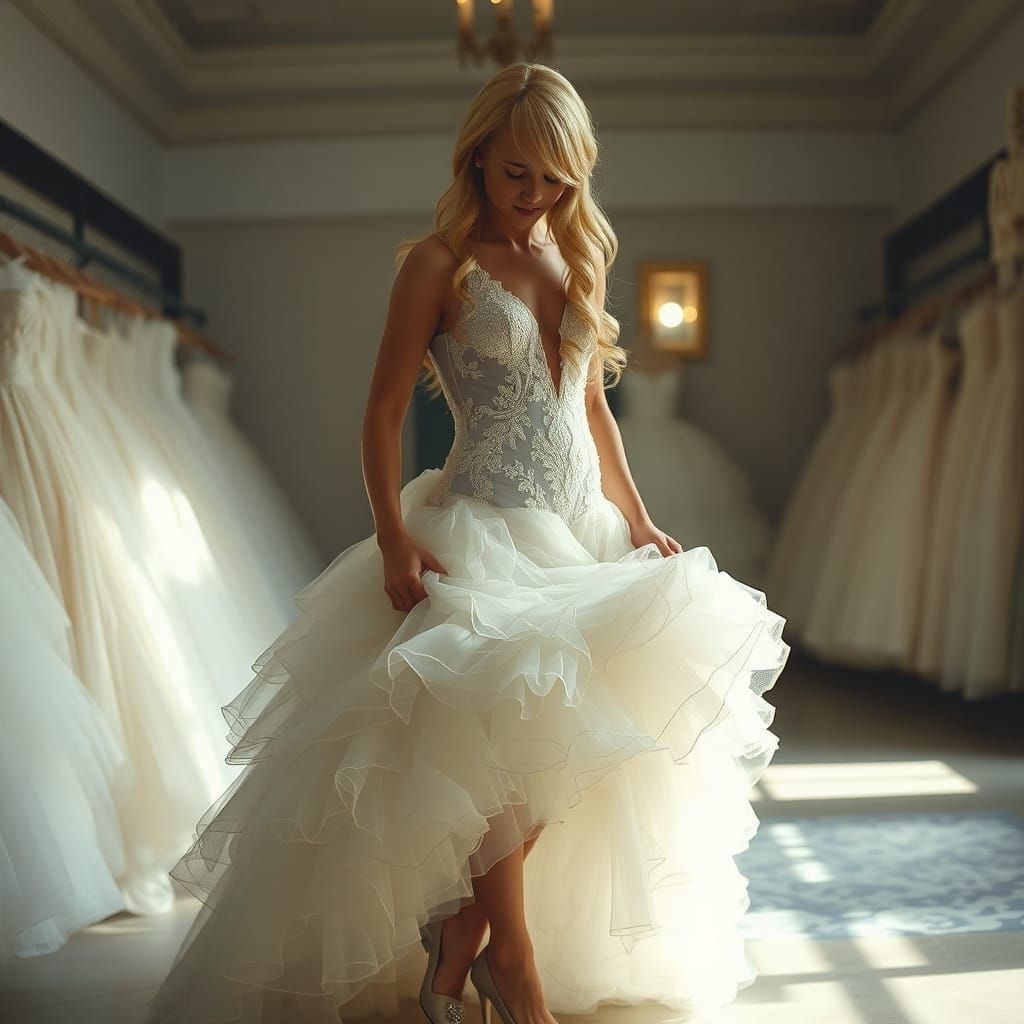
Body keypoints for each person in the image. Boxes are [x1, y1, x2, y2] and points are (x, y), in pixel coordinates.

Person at [145, 62, 789, 1024]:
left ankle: (462, 936)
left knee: (579, 742)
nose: (536, 195)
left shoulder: (580, 261)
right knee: (495, 743)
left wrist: (641, 516)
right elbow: (383, 410)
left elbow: (591, 412)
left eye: (557, 178)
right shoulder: (437, 266)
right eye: (518, 172)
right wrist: (393, 536)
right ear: (478, 154)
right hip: (479, 527)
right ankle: (510, 961)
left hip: (581, 531)